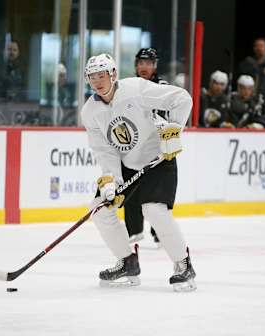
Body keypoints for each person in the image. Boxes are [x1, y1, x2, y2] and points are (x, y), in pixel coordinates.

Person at [81, 53, 196, 291]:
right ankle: (128, 262)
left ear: (113, 74)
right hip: (126, 162)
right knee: (100, 208)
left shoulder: (136, 88)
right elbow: (104, 150)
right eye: (92, 77)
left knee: (153, 209)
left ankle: (183, 265)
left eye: (102, 75)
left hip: (157, 158)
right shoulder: (90, 111)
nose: (97, 81)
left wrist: (174, 130)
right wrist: (111, 180)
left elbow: (182, 99)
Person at [125, 48, 167, 245]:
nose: (144, 66)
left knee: (157, 194)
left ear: (155, 66)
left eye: (148, 63)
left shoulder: (163, 87)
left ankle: (161, 233)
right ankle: (133, 230)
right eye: (141, 63)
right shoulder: (128, 87)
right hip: (134, 147)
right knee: (131, 188)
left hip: (157, 149)